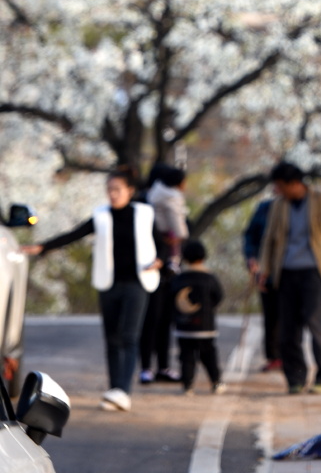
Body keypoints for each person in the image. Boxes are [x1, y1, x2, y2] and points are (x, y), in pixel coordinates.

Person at [23, 166, 161, 412]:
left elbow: (161, 241)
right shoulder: (101, 216)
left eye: (117, 189)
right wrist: (42, 247)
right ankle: (114, 390)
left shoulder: (144, 214)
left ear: (130, 191)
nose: (113, 194)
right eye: (109, 189)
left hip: (138, 283)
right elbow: (74, 234)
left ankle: (123, 391)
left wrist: (161, 260)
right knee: (112, 338)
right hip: (108, 283)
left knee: (129, 337)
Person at [259, 161, 321, 395]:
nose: (277, 191)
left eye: (280, 186)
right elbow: (269, 239)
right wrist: (265, 270)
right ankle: (295, 378)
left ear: (294, 183)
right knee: (288, 329)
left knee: (314, 322)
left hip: (314, 271)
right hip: (286, 271)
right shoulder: (279, 205)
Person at [140, 166, 188, 384]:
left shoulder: (149, 198)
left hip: (162, 267)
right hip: (157, 266)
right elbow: (180, 232)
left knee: (161, 320)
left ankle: (156, 366)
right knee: (154, 319)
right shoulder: (156, 202)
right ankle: (152, 367)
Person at [171, 238, 224, 394]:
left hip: (183, 326)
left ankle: (188, 385)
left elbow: (171, 298)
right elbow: (218, 297)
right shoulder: (210, 278)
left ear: (185, 258)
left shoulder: (179, 278)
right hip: (205, 326)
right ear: (204, 257)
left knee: (186, 356)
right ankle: (216, 382)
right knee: (209, 355)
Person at [242, 196, 281, 371]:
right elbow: (250, 235)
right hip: (265, 270)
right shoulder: (264, 208)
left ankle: (289, 357)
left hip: (291, 269)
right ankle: (273, 356)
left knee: (291, 317)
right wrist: (251, 258)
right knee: (271, 315)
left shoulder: (302, 207)